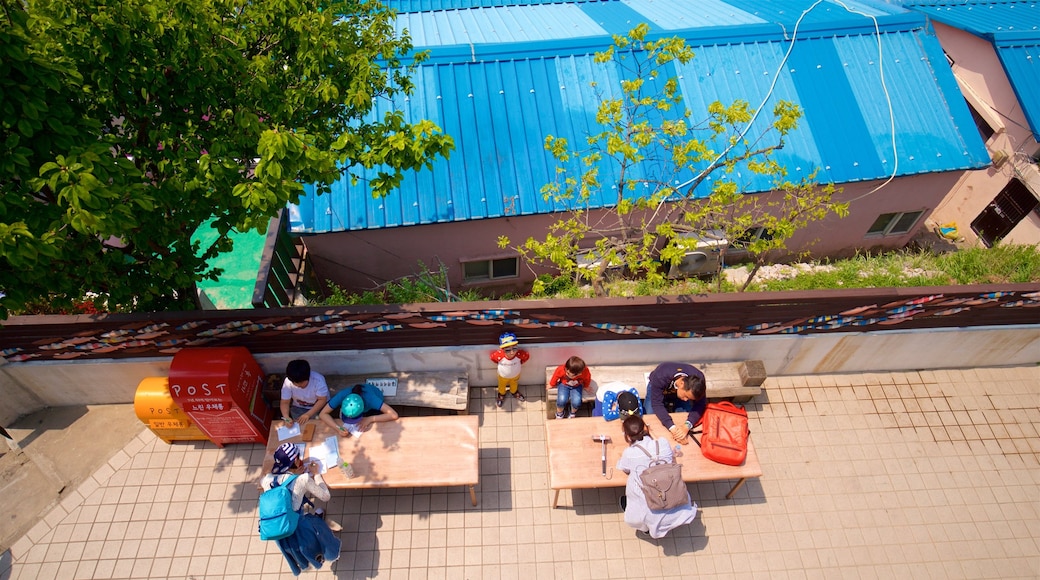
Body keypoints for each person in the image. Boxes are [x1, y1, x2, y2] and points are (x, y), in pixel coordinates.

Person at [260, 443, 342, 575]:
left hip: (280, 527)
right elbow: (325, 496)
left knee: (300, 549)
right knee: (321, 540)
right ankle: (333, 555)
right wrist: (316, 474)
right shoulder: (302, 480)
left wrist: (293, 473)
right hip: (300, 527)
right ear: (296, 460)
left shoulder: (266, 480)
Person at [616, 415, 698, 539]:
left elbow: (623, 467)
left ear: (627, 436)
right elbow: (667, 454)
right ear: (645, 428)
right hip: (674, 496)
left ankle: (646, 528)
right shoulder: (663, 443)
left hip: (651, 505)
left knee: (634, 482)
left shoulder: (629, 453)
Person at [645, 362, 707, 445]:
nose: (686, 400)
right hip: (658, 388)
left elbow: (700, 404)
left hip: (677, 391)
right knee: (650, 418)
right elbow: (657, 404)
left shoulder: (699, 381)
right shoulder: (661, 375)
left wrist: (687, 426)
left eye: (689, 399)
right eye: (686, 396)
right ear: (682, 384)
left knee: (684, 417)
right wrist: (672, 428)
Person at [319, 383, 399, 437]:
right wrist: (337, 428)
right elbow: (323, 414)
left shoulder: (371, 399)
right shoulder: (342, 395)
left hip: (373, 406)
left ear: (363, 408)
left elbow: (393, 415)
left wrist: (370, 419)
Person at [280, 359, 329, 426]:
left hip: (318, 407)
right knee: (299, 426)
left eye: (301, 382)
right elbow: (285, 402)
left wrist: (308, 414)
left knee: (318, 425)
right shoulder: (288, 382)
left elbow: (322, 400)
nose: (298, 385)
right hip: (299, 407)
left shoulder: (318, 380)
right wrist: (286, 417)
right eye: (295, 383)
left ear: (308, 376)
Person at [490, 332, 529, 408]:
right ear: (503, 349)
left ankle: (514, 392)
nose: (512, 352)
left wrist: (520, 363)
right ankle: (501, 395)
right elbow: (492, 357)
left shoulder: (519, 355)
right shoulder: (499, 355)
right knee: (501, 386)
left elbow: (526, 356)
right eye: (508, 350)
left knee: (514, 385)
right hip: (502, 376)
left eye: (514, 348)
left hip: (515, 375)